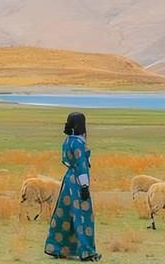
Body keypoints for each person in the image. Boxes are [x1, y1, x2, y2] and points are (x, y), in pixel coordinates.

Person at [44, 112, 101, 261]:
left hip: (68, 179)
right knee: (82, 216)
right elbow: (81, 165)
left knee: (64, 214)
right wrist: (84, 186)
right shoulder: (79, 143)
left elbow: (66, 161)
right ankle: (87, 251)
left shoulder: (68, 141)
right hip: (77, 180)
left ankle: (57, 247)